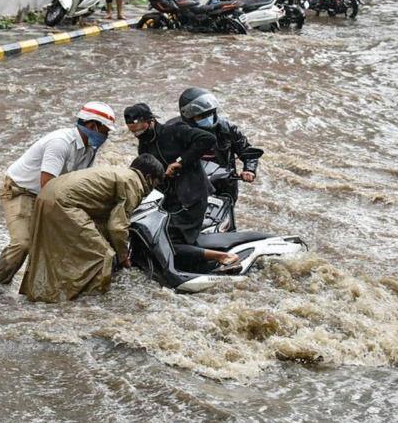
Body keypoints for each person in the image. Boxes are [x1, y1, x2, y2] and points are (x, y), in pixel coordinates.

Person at [0, 102, 116, 287]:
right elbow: (48, 186)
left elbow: (78, 182)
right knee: (23, 243)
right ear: (92, 126)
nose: (106, 136)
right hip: (22, 191)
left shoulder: (90, 148)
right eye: (105, 131)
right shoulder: (60, 143)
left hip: (53, 194)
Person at [19, 154, 164, 302]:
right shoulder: (134, 184)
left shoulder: (119, 173)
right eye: (155, 183)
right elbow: (117, 227)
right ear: (148, 177)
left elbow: (103, 218)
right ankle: (85, 301)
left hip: (46, 194)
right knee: (102, 255)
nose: (152, 189)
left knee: (56, 251)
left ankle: (41, 294)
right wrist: (123, 256)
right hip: (63, 203)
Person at [124, 103, 240, 273]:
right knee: (152, 236)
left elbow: (207, 139)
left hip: (192, 197)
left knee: (167, 242)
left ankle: (222, 257)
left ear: (150, 121)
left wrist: (180, 162)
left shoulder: (175, 131)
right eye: (133, 133)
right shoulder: (144, 146)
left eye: (139, 131)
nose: (137, 135)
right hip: (169, 198)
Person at [177, 87, 259, 206]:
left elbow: (247, 151)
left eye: (209, 114)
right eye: (201, 117)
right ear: (188, 117)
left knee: (226, 219)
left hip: (224, 185)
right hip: (190, 185)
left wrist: (249, 170)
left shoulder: (227, 128)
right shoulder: (177, 130)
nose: (207, 119)